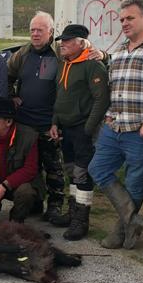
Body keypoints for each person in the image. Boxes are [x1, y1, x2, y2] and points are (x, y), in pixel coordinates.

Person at [89, 0, 143, 249]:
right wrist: (108, 114)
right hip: (114, 124)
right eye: (121, 20)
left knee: (135, 182)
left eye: (130, 18)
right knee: (98, 168)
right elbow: (112, 87)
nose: (124, 23)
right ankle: (132, 219)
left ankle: (120, 232)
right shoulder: (121, 49)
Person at [8, 11, 107, 225]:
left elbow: (87, 52)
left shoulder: (60, 53)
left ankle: (55, 207)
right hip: (25, 122)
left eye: (40, 30)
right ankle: (33, 203)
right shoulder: (22, 54)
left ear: (50, 32)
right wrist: (12, 95)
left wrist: (103, 54)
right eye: (32, 30)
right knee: (26, 167)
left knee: (55, 168)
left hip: (50, 124)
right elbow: (6, 76)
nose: (35, 34)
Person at [49, 24, 109, 240]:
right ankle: (73, 213)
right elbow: (59, 96)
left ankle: (81, 222)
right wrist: (55, 122)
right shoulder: (64, 63)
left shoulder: (92, 65)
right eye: (61, 40)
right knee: (70, 171)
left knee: (81, 174)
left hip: (82, 129)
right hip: (65, 128)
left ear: (81, 43)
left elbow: (101, 99)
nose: (62, 44)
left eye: (67, 40)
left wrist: (88, 129)